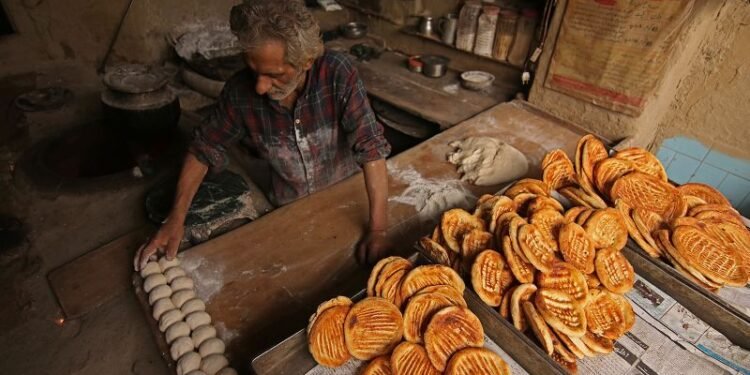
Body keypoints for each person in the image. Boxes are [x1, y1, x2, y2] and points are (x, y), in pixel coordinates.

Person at [134, 1, 391, 270]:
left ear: (305, 62)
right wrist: (175, 219)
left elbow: (371, 148)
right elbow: (203, 149)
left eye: (274, 75)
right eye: (253, 71)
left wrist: (379, 230)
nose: (259, 86)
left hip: (348, 198)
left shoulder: (337, 74)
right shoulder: (239, 93)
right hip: (287, 210)